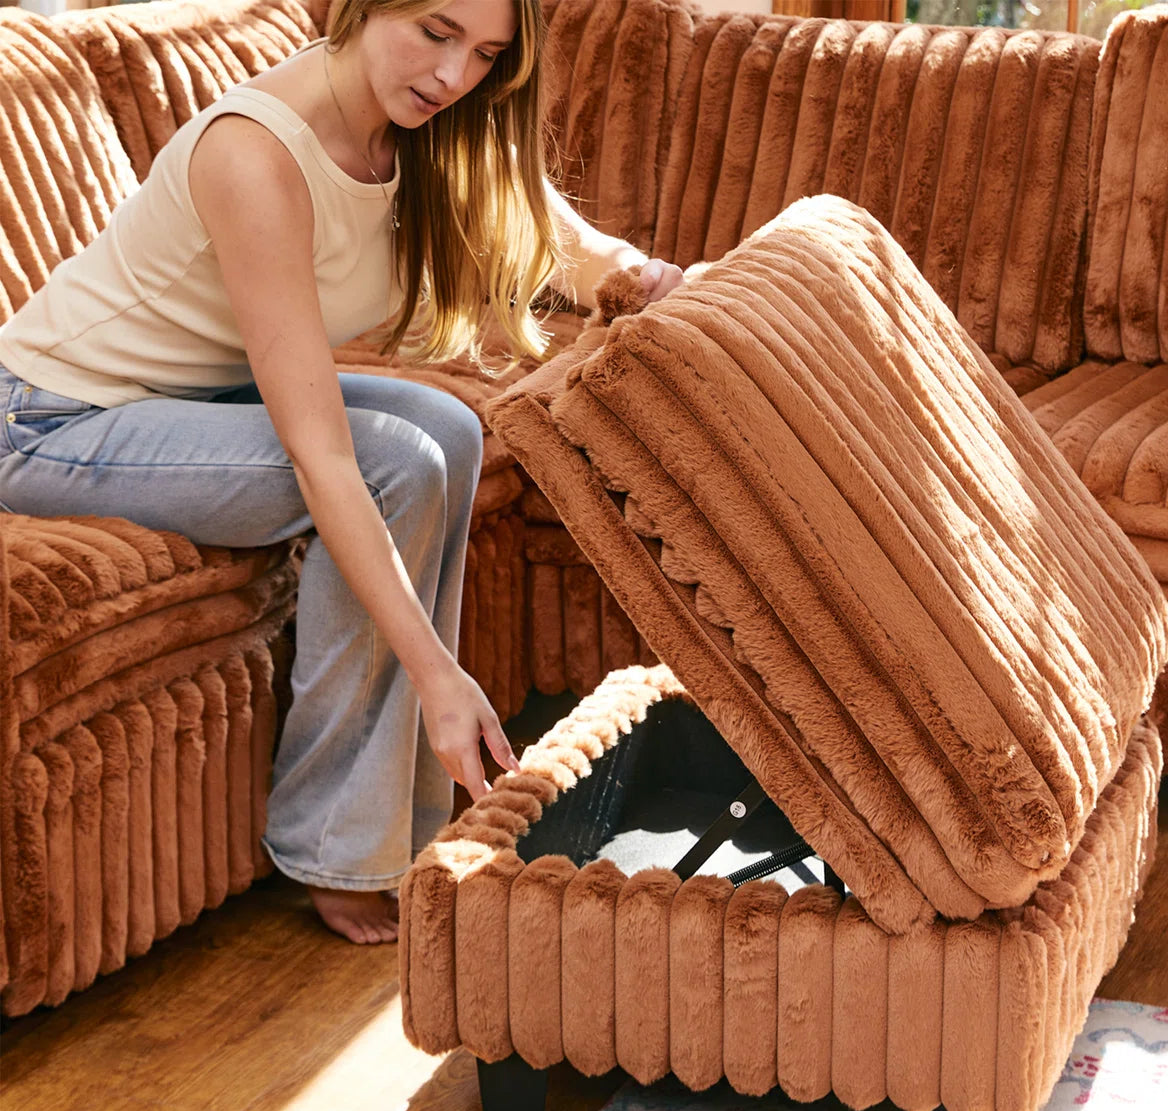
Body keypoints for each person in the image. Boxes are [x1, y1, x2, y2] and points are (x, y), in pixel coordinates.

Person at [0, 0, 684, 945]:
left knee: (448, 426)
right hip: (47, 420)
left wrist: (648, 279)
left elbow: (552, 235)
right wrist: (440, 675)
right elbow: (325, 457)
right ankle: (337, 851)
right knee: (396, 462)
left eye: (485, 54)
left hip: (191, 396)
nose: (453, 75)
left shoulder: (429, 124)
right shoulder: (257, 154)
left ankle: (400, 832)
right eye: (435, 32)